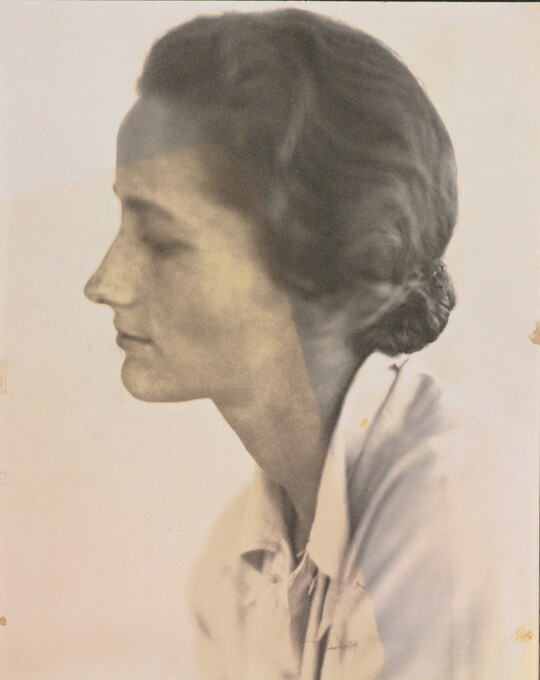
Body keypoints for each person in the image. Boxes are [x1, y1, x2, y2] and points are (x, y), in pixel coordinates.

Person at [84, 9, 536, 680]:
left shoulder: (459, 514)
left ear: (326, 272)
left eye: (163, 240)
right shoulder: (238, 558)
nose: (104, 282)